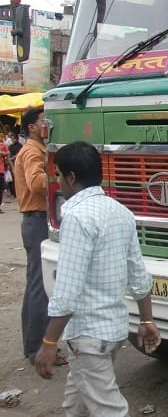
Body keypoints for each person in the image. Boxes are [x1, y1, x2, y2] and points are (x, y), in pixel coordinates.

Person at [34, 141, 161, 415]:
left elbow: (67, 291)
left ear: (71, 178)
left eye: (58, 174)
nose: (58, 180)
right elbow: (139, 275)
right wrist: (147, 320)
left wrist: (48, 343)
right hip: (112, 331)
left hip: (88, 335)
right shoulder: (121, 212)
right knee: (75, 406)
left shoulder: (77, 218)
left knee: (109, 410)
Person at [14, 108, 66, 365]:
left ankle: (33, 344)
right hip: (36, 220)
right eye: (42, 121)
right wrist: (63, 179)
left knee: (36, 283)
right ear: (32, 127)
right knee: (40, 286)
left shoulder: (34, 149)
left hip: (35, 220)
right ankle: (37, 348)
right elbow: (36, 183)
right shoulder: (32, 152)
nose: (47, 125)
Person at [7, 132, 21, 197]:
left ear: (16, 139)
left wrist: (12, 158)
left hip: (18, 164)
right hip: (11, 164)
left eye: (13, 139)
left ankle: (17, 193)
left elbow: (19, 154)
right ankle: (13, 193)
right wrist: (10, 162)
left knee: (18, 179)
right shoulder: (10, 146)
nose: (12, 140)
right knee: (11, 180)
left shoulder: (20, 145)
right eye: (11, 139)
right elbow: (8, 155)